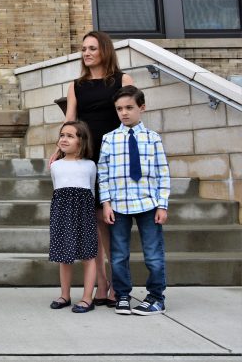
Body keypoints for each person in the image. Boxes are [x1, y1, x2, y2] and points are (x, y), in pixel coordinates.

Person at [57, 30, 133, 307]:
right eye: (83, 49)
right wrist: (58, 150)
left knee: (109, 223)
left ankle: (116, 283)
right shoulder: (76, 85)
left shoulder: (122, 80)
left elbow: (129, 117)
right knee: (93, 223)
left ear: (104, 50)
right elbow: (70, 121)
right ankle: (100, 284)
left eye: (92, 48)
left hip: (113, 159)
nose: (86, 53)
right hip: (87, 159)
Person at [99, 85, 170, 316]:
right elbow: (103, 173)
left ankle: (156, 297)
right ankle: (122, 295)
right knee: (118, 254)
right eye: (119, 109)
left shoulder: (153, 139)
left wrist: (162, 204)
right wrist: (106, 203)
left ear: (142, 108)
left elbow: (163, 172)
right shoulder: (109, 139)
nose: (124, 113)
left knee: (153, 253)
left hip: (148, 204)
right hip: (119, 206)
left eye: (129, 107)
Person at [48, 121, 98, 313]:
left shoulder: (90, 165)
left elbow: (92, 189)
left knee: (88, 255)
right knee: (64, 255)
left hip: (84, 212)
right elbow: (56, 188)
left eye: (70, 136)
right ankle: (65, 295)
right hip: (61, 212)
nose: (64, 139)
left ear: (81, 140)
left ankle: (87, 298)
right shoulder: (56, 166)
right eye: (62, 135)